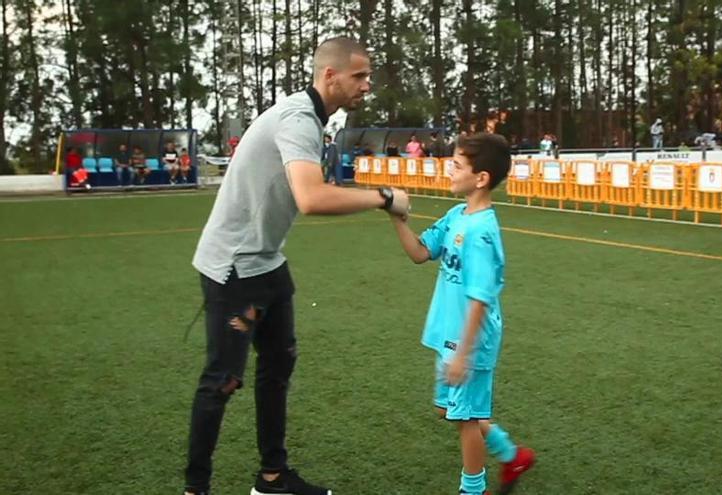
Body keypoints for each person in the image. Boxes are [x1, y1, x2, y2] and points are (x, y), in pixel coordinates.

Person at [184, 37, 410, 495]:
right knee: (223, 380)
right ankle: (195, 489)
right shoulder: (298, 118)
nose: (368, 85)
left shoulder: (311, 117)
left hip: (266, 265)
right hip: (233, 268)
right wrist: (384, 197)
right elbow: (311, 197)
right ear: (331, 75)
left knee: (277, 366)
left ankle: (272, 478)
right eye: (360, 76)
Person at [387, 133, 535, 495]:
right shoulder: (458, 215)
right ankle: (511, 454)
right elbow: (422, 252)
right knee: (449, 410)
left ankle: (474, 489)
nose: (448, 171)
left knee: (465, 418)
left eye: (456, 165)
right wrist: (397, 219)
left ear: (481, 178)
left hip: (470, 340)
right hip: (450, 333)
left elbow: (480, 300)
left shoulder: (482, 232)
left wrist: (464, 354)